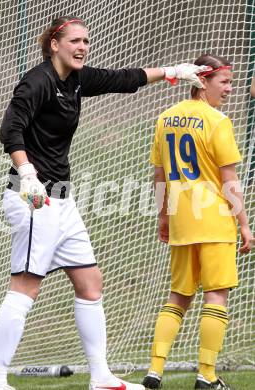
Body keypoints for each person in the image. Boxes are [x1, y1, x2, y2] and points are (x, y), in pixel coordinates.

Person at [0, 16, 208, 390]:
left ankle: (101, 377)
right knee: (25, 287)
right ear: (54, 44)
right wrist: (27, 175)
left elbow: (123, 79)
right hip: (35, 199)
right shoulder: (38, 81)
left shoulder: (77, 80)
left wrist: (173, 71)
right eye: (74, 40)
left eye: (86, 40)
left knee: (90, 283)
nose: (82, 46)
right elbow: (11, 129)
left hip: (62, 202)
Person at [142, 54, 254, 390]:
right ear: (202, 82)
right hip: (215, 221)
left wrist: (164, 216)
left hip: (181, 222)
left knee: (178, 297)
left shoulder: (165, 118)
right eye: (224, 82)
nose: (230, 89)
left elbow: (159, 176)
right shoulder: (218, 121)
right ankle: (207, 376)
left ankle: (154, 370)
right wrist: (245, 226)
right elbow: (229, 181)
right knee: (216, 297)